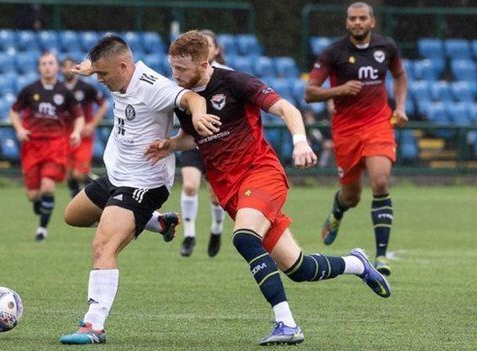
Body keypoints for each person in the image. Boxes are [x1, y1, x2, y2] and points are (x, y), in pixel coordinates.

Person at [146, 30, 391, 346]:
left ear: (204, 63)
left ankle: (286, 324)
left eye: (181, 69)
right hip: (231, 191)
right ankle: (358, 264)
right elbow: (196, 136)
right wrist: (170, 144)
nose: (175, 75)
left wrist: (300, 142)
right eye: (172, 68)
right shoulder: (183, 97)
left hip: (260, 174)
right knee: (299, 267)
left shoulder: (235, 82)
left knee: (245, 239)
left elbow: (287, 108)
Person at [58, 34, 219, 345]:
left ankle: (93, 325)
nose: (101, 80)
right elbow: (106, 55)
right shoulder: (118, 74)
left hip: (144, 184)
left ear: (123, 66)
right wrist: (91, 67)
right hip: (116, 175)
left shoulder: (153, 87)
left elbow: (191, 99)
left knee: (103, 248)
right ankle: (158, 222)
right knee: (72, 216)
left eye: (104, 74)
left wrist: (198, 114)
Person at [304, 1, 408, 276]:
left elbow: (399, 76)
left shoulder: (386, 47)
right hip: (346, 131)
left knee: (381, 181)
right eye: (353, 19)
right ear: (347, 22)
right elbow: (310, 92)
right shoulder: (333, 52)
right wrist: (339, 90)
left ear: (372, 22)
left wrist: (400, 107)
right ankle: (338, 210)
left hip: (378, 124)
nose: (357, 23)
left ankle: (382, 256)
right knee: (352, 196)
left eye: (363, 18)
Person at [10, 52, 85, 241]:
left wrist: (76, 132)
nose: (47, 67)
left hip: (55, 144)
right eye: (44, 63)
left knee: (47, 186)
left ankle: (42, 229)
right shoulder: (29, 90)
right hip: (32, 145)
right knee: (33, 195)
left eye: (51, 63)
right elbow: (14, 111)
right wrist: (19, 129)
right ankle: (39, 205)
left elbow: (79, 116)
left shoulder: (64, 92)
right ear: (39, 67)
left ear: (57, 67)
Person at [178, 29, 229, 258]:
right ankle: (189, 235)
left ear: (216, 50)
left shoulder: (228, 76)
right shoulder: (186, 75)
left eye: (208, 44)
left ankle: (216, 229)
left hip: (218, 144)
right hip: (194, 141)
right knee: (189, 185)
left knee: (216, 195)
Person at [60, 57, 110, 198]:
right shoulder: (59, 89)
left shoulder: (86, 88)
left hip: (83, 135)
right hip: (65, 135)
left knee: (79, 173)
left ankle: (103, 187)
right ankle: (78, 207)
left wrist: (92, 124)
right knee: (69, 173)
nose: (68, 69)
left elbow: (104, 105)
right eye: (65, 66)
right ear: (61, 69)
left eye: (71, 65)